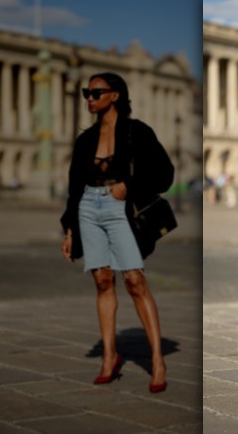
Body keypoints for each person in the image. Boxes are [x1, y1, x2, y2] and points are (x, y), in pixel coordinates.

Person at [60, 72, 173, 393]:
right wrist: (70, 230)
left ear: (115, 96)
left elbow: (164, 173)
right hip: (88, 207)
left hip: (118, 207)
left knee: (135, 280)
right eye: (86, 93)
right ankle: (109, 356)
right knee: (102, 280)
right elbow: (73, 187)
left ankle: (157, 359)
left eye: (96, 93)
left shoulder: (137, 132)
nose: (89, 99)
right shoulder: (85, 140)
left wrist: (130, 186)